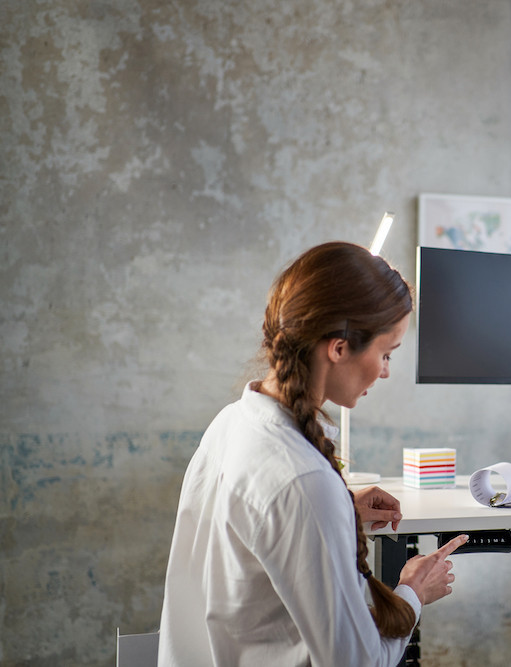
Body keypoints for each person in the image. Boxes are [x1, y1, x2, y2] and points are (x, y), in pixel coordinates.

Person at [158, 241, 468, 666]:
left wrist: (339, 513)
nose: (386, 371)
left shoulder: (232, 423)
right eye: (385, 354)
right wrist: (413, 593)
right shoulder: (303, 483)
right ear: (339, 348)